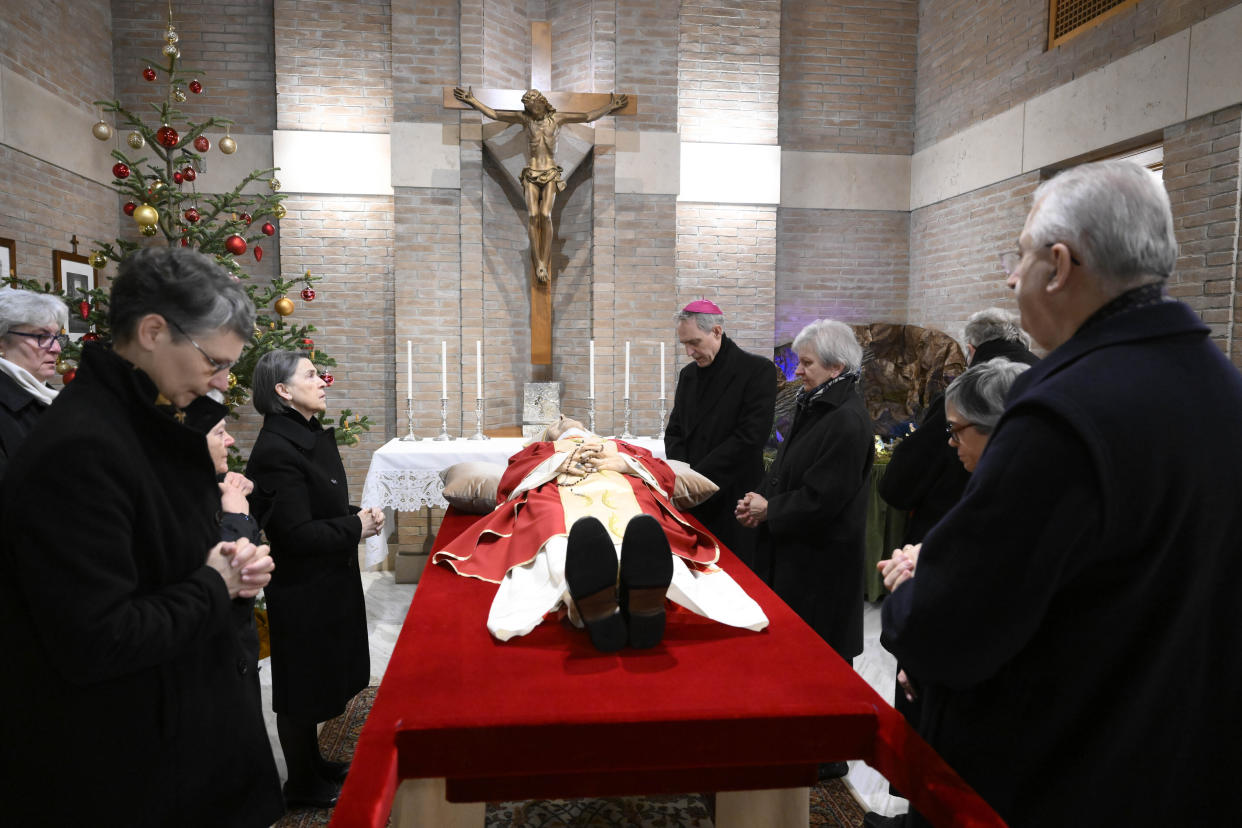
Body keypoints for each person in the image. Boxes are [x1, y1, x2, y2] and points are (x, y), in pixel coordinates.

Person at [879, 159, 1242, 826]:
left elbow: (954, 628)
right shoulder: (1222, 384)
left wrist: (911, 590)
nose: (1012, 280)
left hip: (1060, 772)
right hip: (1179, 763)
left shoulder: (1063, 412)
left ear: (1060, 264)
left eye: (1018, 257)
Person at [0, 247, 283, 827]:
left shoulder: (154, 424)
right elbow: (98, 638)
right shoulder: (82, 447)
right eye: (213, 362)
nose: (223, 383)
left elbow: (173, 558)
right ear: (154, 331)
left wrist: (236, 569)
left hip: (189, 733)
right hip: (137, 766)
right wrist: (215, 582)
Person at [435, 415, 768, 650]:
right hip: (559, 491)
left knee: (643, 518)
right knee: (554, 523)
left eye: (572, 424)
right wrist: (555, 464)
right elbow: (511, 480)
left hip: (622, 486)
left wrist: (623, 463)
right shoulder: (539, 452)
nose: (568, 426)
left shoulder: (617, 446)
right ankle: (594, 599)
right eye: (560, 427)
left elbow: (661, 474)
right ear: (551, 437)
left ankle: (639, 594)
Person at [246, 349, 383, 809]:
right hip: (302, 586)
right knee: (300, 689)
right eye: (310, 375)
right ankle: (301, 783)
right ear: (283, 391)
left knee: (322, 675)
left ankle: (315, 764)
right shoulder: (275, 451)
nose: (323, 380)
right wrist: (355, 527)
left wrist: (354, 516)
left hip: (327, 577)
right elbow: (295, 533)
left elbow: (313, 510)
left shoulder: (306, 436)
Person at [736, 319, 873, 662]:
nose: (797, 371)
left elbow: (823, 499)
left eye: (807, 363)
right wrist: (759, 499)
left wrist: (770, 510)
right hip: (797, 556)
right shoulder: (816, 402)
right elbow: (786, 465)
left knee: (817, 664)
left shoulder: (846, 419)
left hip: (820, 568)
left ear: (836, 366)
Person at [879, 307, 1037, 546]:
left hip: (953, 534)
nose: (953, 439)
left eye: (955, 432)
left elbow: (900, 484)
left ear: (971, 351)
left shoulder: (967, 395)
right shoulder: (1050, 385)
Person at [452, 86, 628, 283]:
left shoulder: (557, 119)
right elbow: (495, 114)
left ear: (542, 103)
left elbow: (587, 117)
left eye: (534, 106)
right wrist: (473, 101)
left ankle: (545, 259)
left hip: (551, 172)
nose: (532, 110)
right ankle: (539, 263)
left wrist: (610, 106)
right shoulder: (525, 120)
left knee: (545, 214)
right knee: (533, 215)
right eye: (528, 107)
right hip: (531, 172)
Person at [665, 299, 777, 566]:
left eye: (694, 342)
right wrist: (685, 479)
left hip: (733, 497)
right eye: (684, 345)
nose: (690, 352)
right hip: (692, 498)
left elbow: (750, 437)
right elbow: (675, 431)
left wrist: (698, 479)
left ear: (716, 331)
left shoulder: (757, 370)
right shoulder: (688, 375)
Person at [0, 288, 68, 482]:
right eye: (41, 337)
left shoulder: (53, 398)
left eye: (56, 337)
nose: (56, 349)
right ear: (1, 342)